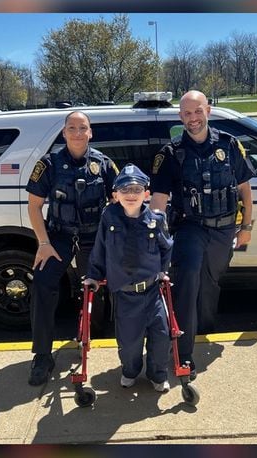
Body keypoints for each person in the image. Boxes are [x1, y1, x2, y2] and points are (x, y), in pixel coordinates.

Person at [150, 90, 255, 381]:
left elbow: (245, 189)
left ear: (208, 109)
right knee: (189, 280)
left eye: (197, 111)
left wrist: (246, 227)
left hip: (223, 229)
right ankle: (183, 354)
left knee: (210, 279)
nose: (192, 118)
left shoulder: (229, 145)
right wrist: (155, 236)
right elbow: (158, 200)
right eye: (186, 113)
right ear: (179, 116)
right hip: (190, 227)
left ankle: (204, 328)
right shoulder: (170, 154)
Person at [25, 111, 119, 386]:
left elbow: (119, 200)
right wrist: (43, 243)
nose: (78, 133)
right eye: (72, 128)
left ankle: (91, 340)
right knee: (42, 283)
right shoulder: (49, 164)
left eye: (83, 128)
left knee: (95, 289)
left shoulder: (104, 164)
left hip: (93, 237)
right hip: (58, 237)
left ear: (91, 132)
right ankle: (42, 355)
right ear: (64, 133)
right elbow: (34, 205)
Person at [84, 164, 173, 392]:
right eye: (125, 190)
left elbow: (167, 247)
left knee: (162, 336)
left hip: (153, 292)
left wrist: (163, 270)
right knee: (130, 344)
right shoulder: (109, 217)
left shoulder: (156, 219)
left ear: (146, 194)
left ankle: (157, 374)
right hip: (126, 294)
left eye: (136, 189)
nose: (131, 195)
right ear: (115, 195)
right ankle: (130, 370)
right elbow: (100, 248)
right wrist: (94, 276)